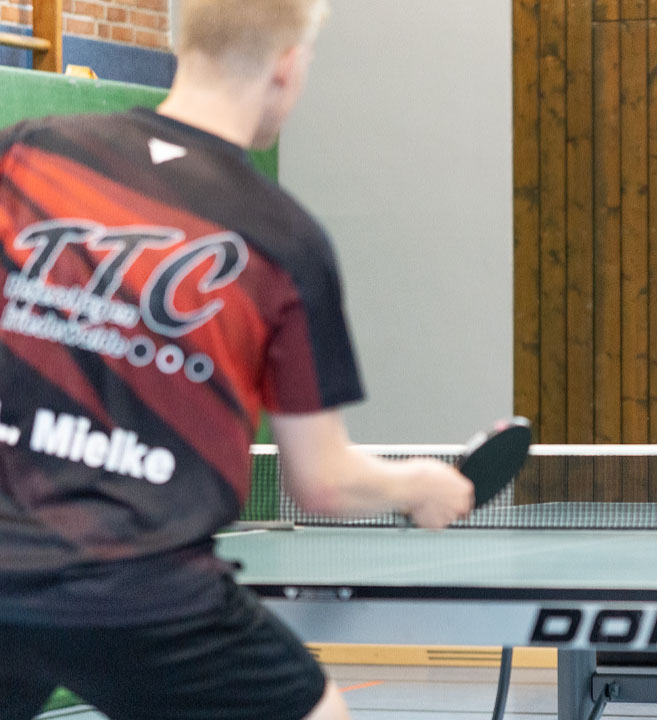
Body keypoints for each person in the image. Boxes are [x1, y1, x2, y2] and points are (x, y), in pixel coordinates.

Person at [0, 2, 474, 719]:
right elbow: (323, 484)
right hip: (146, 593)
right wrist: (421, 484)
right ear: (287, 66)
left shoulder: (31, 153)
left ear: (181, 44)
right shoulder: (284, 241)